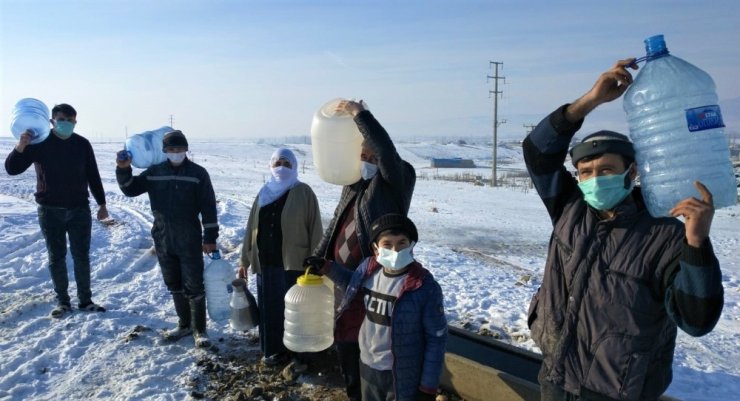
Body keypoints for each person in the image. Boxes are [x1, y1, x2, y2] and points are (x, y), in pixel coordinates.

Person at [523, 59, 724, 401]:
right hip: (556, 377)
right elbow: (537, 151)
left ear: (630, 173)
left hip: (617, 390)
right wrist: (591, 100)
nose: (594, 178)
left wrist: (696, 242)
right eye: (585, 171)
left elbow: (697, 319)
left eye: (606, 169)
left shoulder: (663, 233)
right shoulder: (569, 208)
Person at [312, 99, 416, 401]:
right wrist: (319, 257)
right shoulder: (353, 184)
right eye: (361, 154)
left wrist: (360, 114)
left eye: (370, 154)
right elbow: (336, 223)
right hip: (345, 283)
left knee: (371, 352)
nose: (366, 158)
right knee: (346, 346)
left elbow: (384, 150)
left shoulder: (396, 180)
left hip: (374, 282)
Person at [307, 213, 446, 401]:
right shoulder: (369, 269)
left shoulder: (423, 286)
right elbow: (353, 284)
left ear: (412, 245)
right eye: (387, 244)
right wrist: (327, 267)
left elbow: (436, 339)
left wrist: (428, 387)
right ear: (375, 248)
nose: (395, 250)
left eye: (402, 243)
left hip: (401, 374)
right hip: (368, 365)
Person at [115, 130, 219, 348]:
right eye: (171, 150)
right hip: (163, 236)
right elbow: (130, 190)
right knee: (174, 282)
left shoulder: (198, 173)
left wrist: (210, 237)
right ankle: (184, 325)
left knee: (194, 283)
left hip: (189, 236)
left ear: (186, 150)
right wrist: (123, 170)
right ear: (164, 151)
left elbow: (208, 207)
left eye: (180, 149)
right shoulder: (154, 172)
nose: (176, 153)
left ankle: (200, 330)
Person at [5, 103, 109, 318]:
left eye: (71, 121)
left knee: (82, 256)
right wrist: (21, 145)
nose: (67, 124)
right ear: (52, 121)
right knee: (57, 256)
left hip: (79, 209)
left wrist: (102, 203)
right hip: (50, 210)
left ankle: (85, 300)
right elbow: (12, 169)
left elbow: (93, 174)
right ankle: (63, 301)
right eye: (62, 120)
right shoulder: (39, 143)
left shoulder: (82, 144)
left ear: (75, 122)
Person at [238, 147, 323, 368]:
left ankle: (299, 355)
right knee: (270, 308)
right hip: (266, 263)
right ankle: (273, 351)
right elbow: (251, 229)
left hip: (295, 263)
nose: (281, 168)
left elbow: (315, 228)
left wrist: (317, 260)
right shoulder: (263, 193)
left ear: (294, 166)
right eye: (277, 163)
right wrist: (243, 261)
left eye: (286, 163)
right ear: (270, 166)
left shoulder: (304, 192)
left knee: (296, 311)